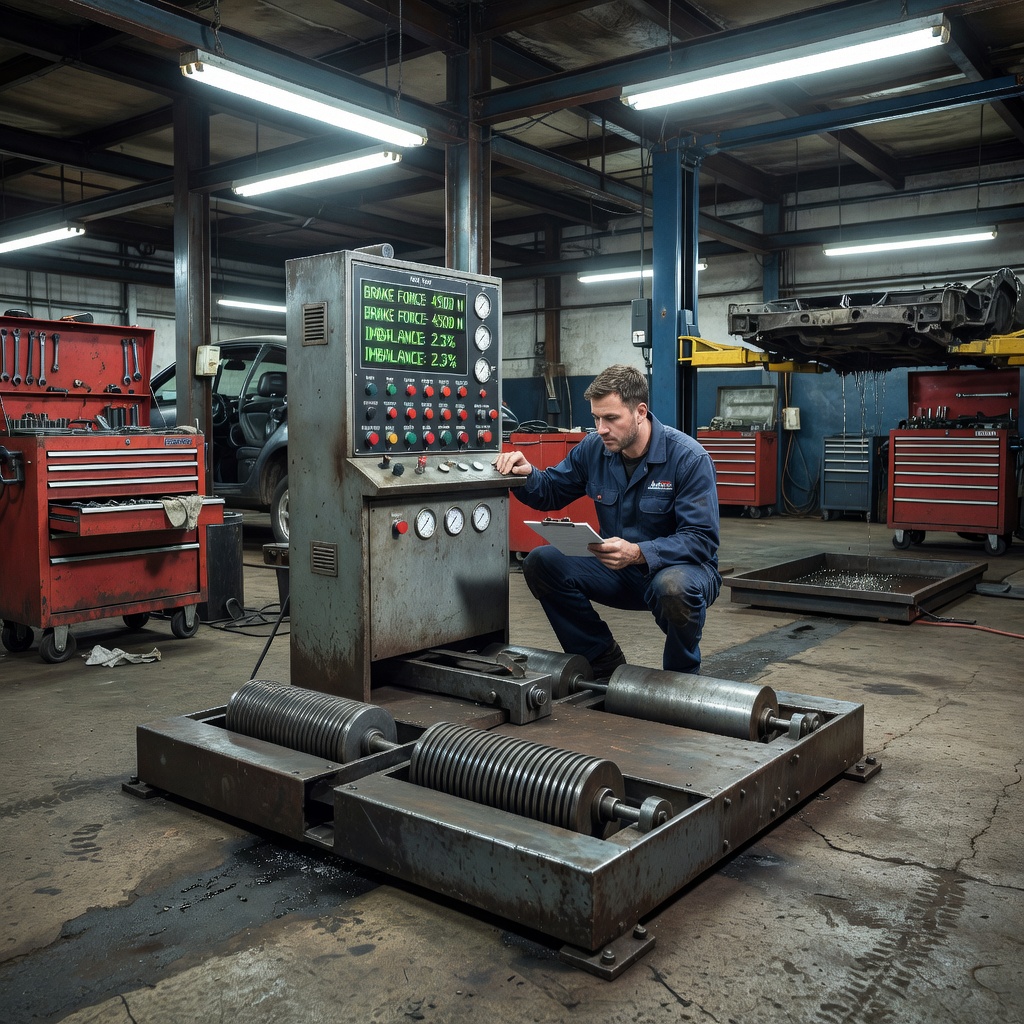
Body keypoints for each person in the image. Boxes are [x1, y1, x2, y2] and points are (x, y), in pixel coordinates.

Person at [493, 363, 721, 676]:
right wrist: (526, 473)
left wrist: (639, 552)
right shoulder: (594, 449)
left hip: (682, 572)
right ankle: (601, 660)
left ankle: (681, 675)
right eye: (596, 418)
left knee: (672, 586)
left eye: (611, 418)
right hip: (620, 571)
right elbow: (551, 491)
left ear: (640, 412)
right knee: (541, 563)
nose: (601, 429)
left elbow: (701, 540)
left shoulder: (688, 458)